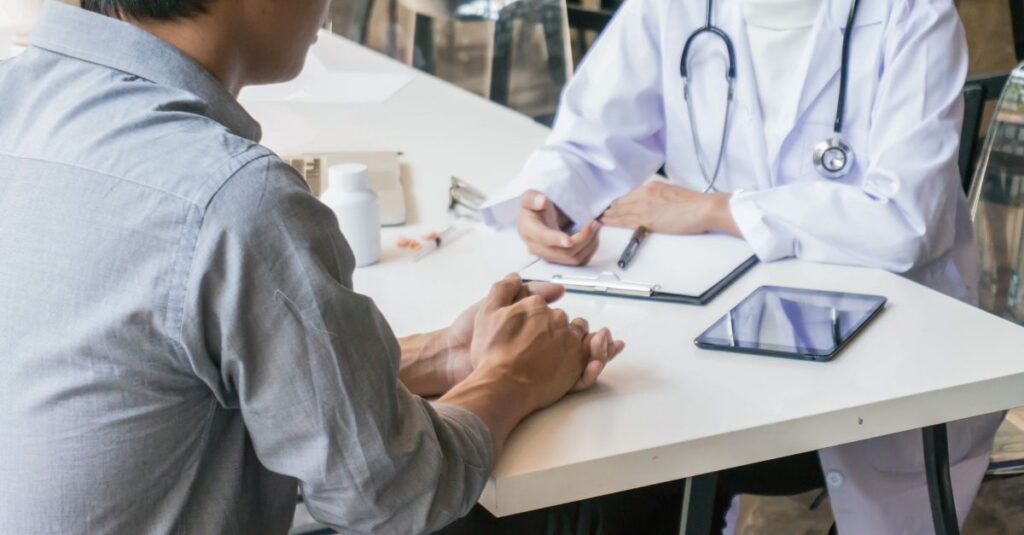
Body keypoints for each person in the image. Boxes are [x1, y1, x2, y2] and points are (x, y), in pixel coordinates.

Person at [0, 1, 625, 534]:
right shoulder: (232, 199)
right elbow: (390, 499)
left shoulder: (20, 98)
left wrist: (430, 357)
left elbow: (138, 372)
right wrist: (512, 378)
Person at [482, 0, 1003, 531]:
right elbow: (591, 138)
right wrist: (551, 199)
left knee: (629, 464)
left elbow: (904, 222)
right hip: (706, 337)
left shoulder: (913, 14)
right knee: (593, 464)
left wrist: (719, 208)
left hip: (875, 361)